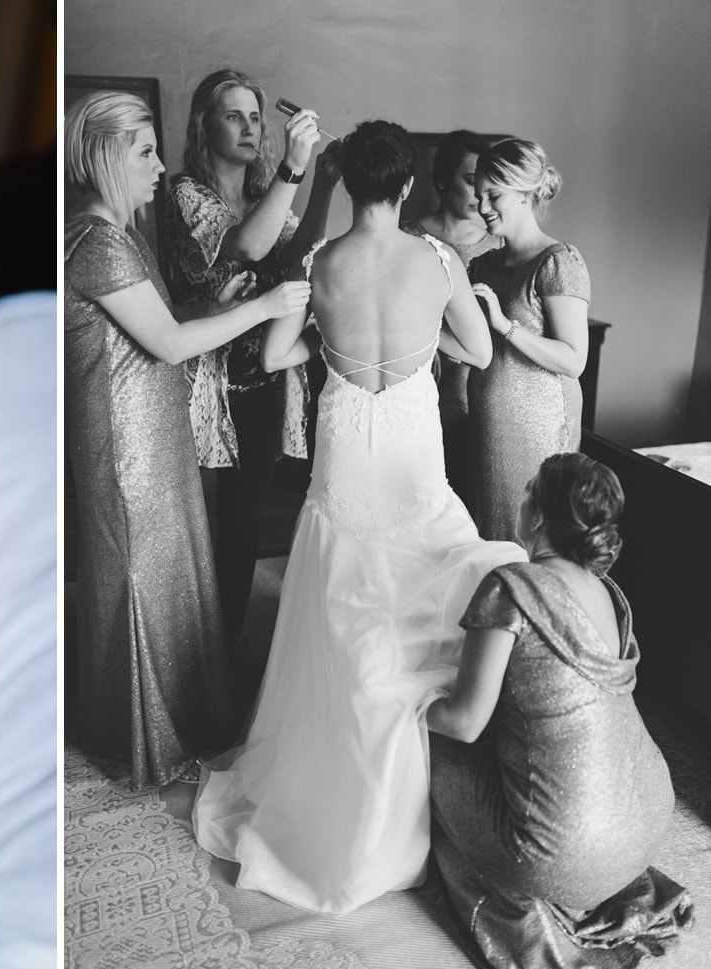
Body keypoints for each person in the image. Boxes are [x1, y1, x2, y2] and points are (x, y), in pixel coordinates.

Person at [193, 120, 526, 914]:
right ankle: (423, 761)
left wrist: (333, 354)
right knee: (421, 581)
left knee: (343, 607)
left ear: (345, 185)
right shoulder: (438, 260)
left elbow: (274, 358)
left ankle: (341, 779)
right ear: (405, 185)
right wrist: (415, 348)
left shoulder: (316, 262)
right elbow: (476, 354)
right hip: (411, 445)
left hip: (346, 446)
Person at [64, 90, 311, 789]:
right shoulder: (94, 240)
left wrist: (217, 306)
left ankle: (179, 707)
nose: (159, 164)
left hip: (152, 423)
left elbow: (164, 320)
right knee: (141, 568)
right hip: (124, 436)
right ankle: (136, 727)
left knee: (172, 563)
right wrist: (263, 307)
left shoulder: (124, 233)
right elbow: (169, 343)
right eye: (144, 150)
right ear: (104, 154)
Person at [427, 452, 692, 968]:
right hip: (648, 820)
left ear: (541, 516)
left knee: (433, 744)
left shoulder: (511, 586)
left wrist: (408, 708)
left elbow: (464, 722)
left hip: (564, 851)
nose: (520, 499)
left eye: (528, 491)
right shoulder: (608, 591)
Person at [164, 68, 340, 660]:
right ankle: (183, 651)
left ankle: (228, 642)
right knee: (197, 522)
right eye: (233, 115)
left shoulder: (269, 191)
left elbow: (294, 255)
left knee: (243, 522)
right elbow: (248, 246)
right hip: (201, 381)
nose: (249, 126)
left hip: (264, 374)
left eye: (255, 116)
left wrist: (324, 187)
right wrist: (294, 168)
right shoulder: (185, 192)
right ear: (204, 125)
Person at [467, 138, 591, 542]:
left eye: (493, 195)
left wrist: (505, 325)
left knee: (529, 535)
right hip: (487, 420)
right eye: (478, 195)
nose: (482, 207)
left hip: (538, 426)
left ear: (524, 194)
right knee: (488, 533)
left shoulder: (557, 261)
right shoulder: (481, 266)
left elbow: (574, 360)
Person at [401, 129, 501, 506]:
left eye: (487, 183)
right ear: (443, 180)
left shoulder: (498, 245)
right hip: (420, 378)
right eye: (471, 180)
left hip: (482, 380)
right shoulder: (409, 237)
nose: (480, 195)